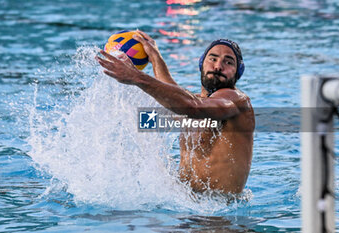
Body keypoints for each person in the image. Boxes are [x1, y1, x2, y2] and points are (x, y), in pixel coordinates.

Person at [96, 31, 255, 194]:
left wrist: (136, 77)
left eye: (228, 62)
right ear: (202, 64)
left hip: (217, 216)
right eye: (213, 59)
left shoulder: (237, 101)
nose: (218, 66)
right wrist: (155, 57)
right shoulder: (196, 102)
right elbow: (178, 97)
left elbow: (192, 106)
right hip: (185, 207)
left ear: (238, 72)